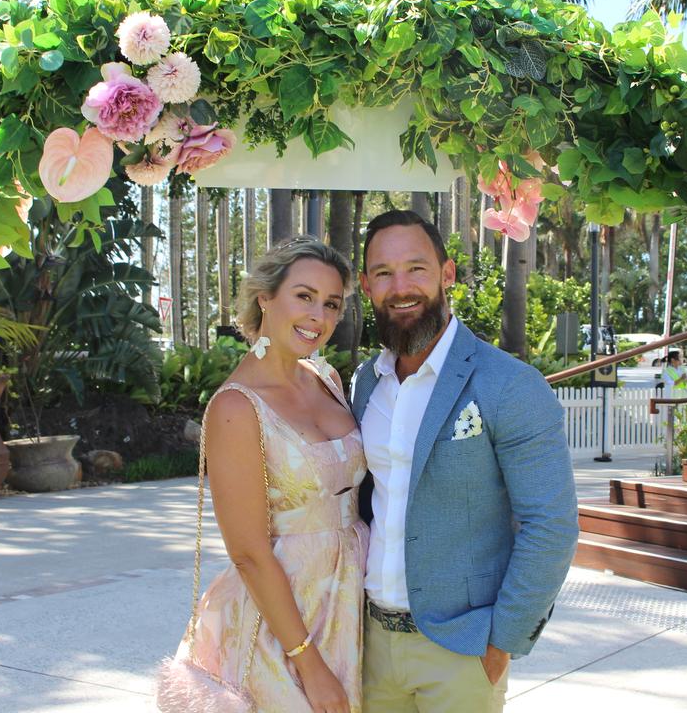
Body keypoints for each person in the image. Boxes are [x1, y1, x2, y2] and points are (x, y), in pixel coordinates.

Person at [351, 210, 579, 713]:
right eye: (384, 273)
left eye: (417, 268)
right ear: (367, 285)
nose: (401, 286)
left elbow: (551, 524)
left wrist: (502, 642)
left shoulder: (509, 384)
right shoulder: (366, 383)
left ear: (447, 274)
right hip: (367, 645)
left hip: (462, 653)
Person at [163, 237, 368, 713]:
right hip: (282, 624)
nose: (318, 315)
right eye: (304, 296)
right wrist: (309, 665)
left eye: (331, 303)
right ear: (265, 297)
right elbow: (249, 552)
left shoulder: (327, 379)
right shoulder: (236, 407)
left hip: (348, 599)